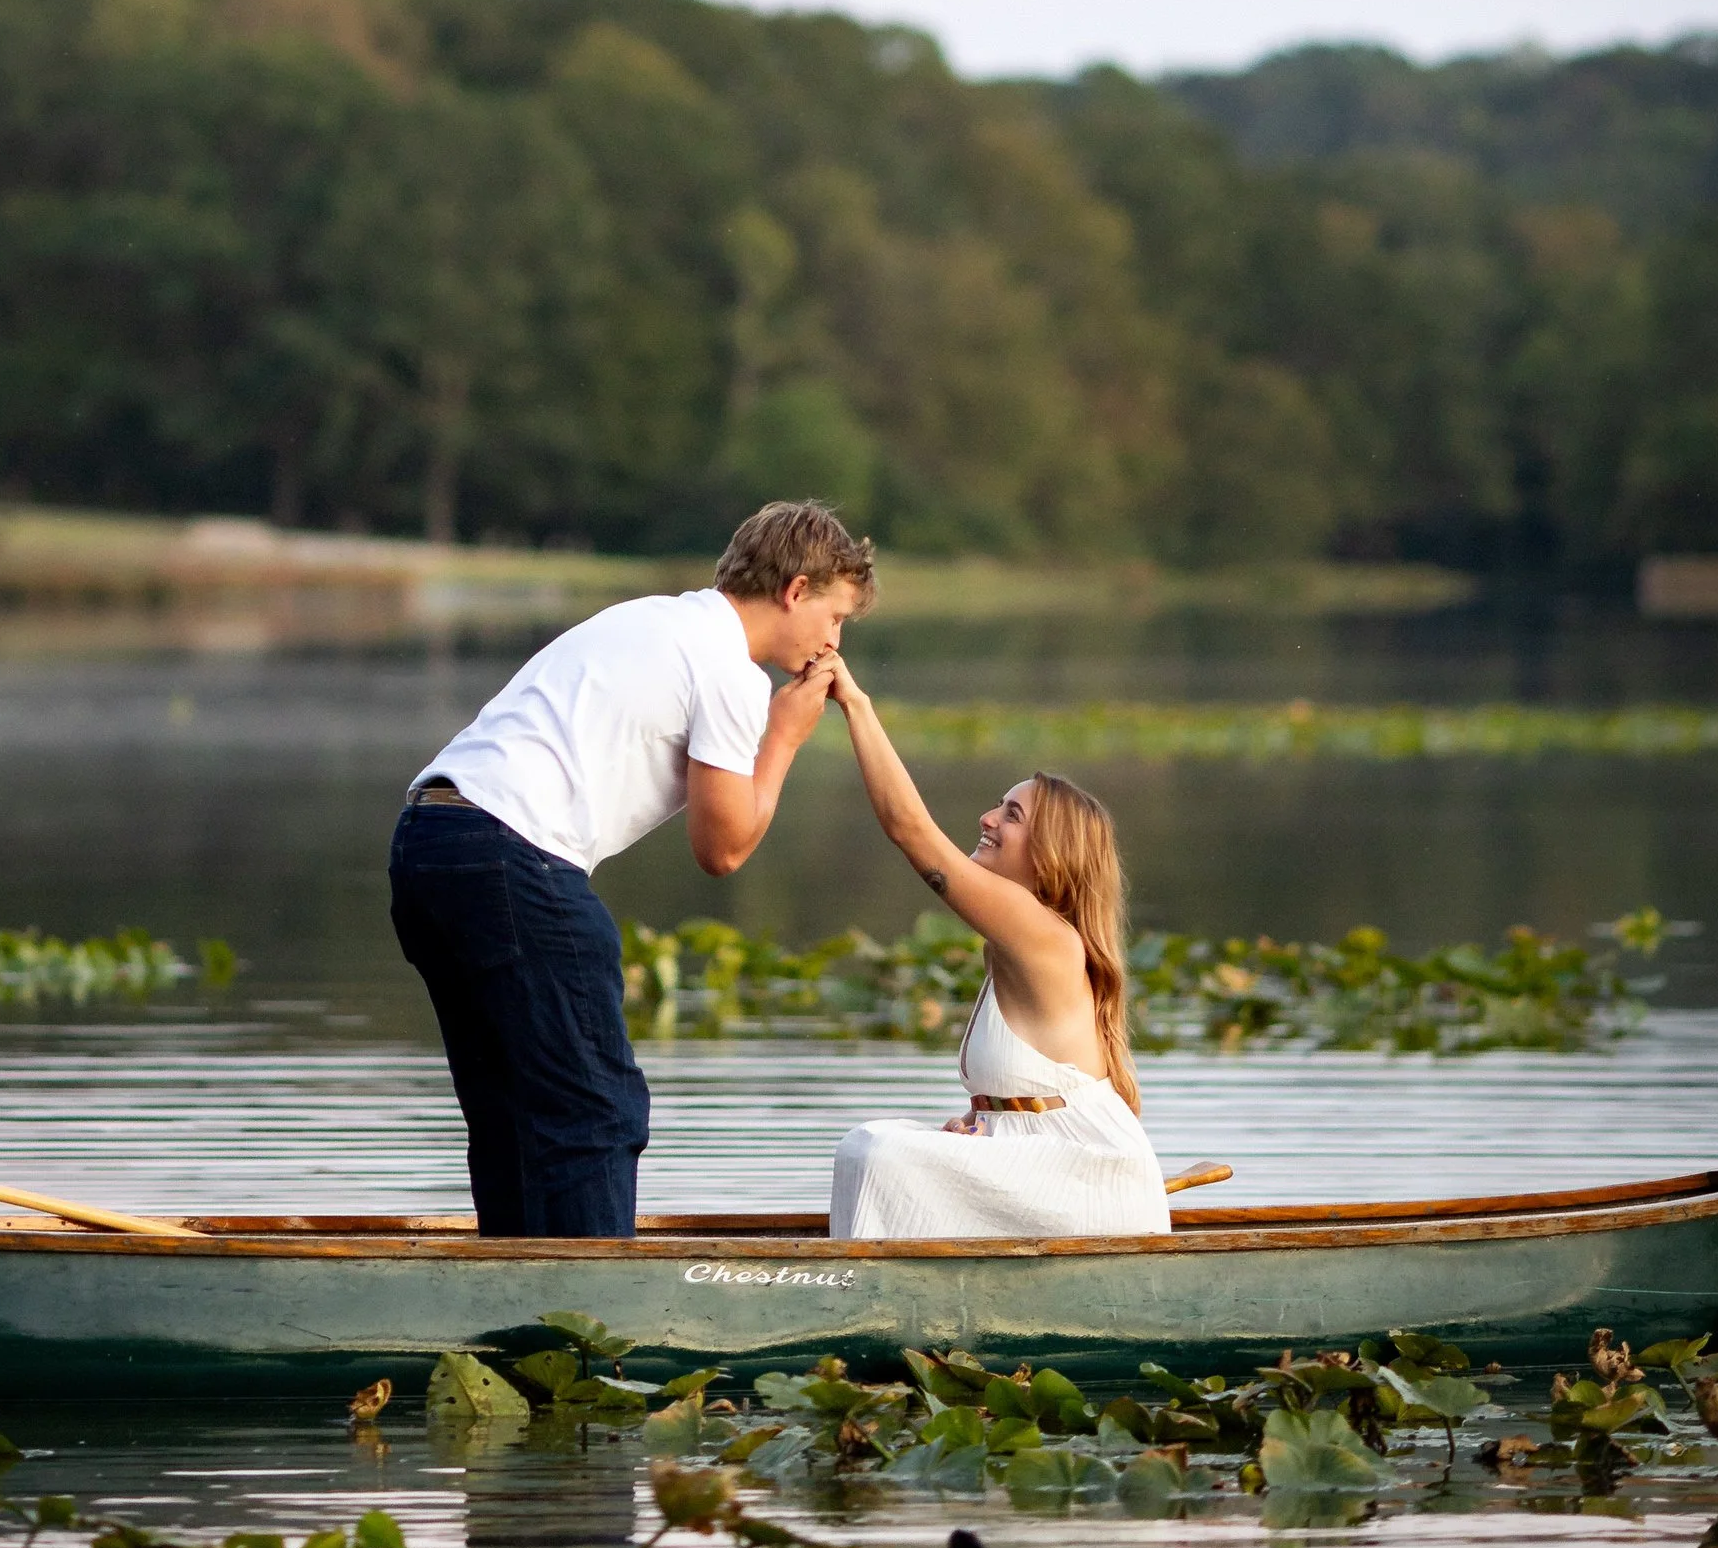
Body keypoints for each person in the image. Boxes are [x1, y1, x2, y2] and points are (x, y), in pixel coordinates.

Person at [390, 498, 876, 1237]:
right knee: (596, 1110)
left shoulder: (649, 617)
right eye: (835, 618)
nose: (833, 640)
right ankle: (595, 1325)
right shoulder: (731, 673)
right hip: (509, 852)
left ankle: (516, 1308)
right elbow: (724, 850)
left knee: (510, 1109)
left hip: (427, 840)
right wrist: (783, 738)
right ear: (795, 591)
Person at [820, 646, 1170, 1240]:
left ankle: (870, 1305)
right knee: (884, 1147)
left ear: (1050, 853)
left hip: (1088, 1186)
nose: (986, 817)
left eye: (1010, 815)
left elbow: (910, 830)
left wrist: (855, 703)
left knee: (873, 1148)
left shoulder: (1039, 931)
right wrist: (986, 1122)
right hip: (1049, 1167)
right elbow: (1035, 1099)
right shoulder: (1015, 936)